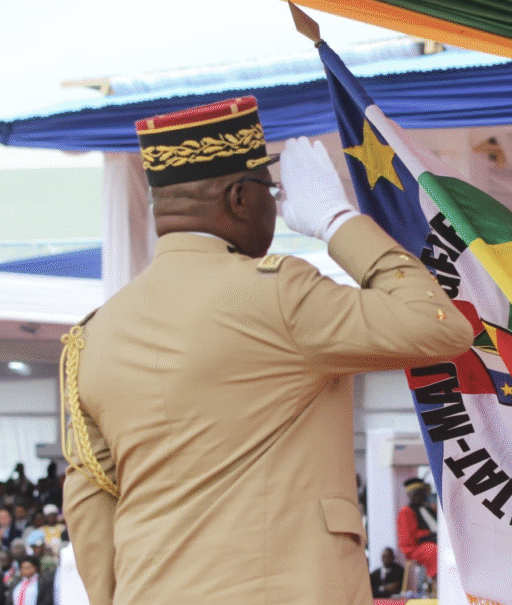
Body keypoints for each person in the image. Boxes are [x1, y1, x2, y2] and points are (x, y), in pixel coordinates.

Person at [60, 97, 474, 605]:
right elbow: (437, 327)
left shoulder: (93, 337)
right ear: (239, 198)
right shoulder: (279, 294)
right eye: (271, 192)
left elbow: (89, 501)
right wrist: (338, 220)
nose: (275, 207)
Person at [396, 478, 438, 579]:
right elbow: (407, 539)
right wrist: (428, 535)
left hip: (433, 540)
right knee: (433, 551)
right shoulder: (406, 511)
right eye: (416, 494)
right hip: (416, 547)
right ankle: (439, 582)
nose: (420, 496)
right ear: (409, 495)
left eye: (421, 493)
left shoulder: (429, 509)